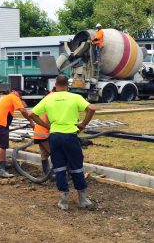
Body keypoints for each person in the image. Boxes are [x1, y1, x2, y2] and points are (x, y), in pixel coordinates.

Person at [30, 75, 96, 211]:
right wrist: (83, 124)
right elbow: (92, 108)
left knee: (59, 168)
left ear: (55, 84)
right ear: (67, 84)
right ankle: (83, 200)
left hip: (54, 137)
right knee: (76, 167)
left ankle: (64, 201)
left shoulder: (49, 98)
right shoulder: (75, 97)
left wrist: (47, 126)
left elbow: (31, 114)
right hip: (70, 136)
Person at [0, 89, 35, 178]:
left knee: (3, 145)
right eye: (19, 95)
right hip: (1, 123)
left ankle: (2, 164)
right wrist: (31, 121)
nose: (19, 97)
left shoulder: (5, 98)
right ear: (14, 92)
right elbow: (22, 110)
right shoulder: (13, 96)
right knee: (2, 146)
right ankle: (0, 170)